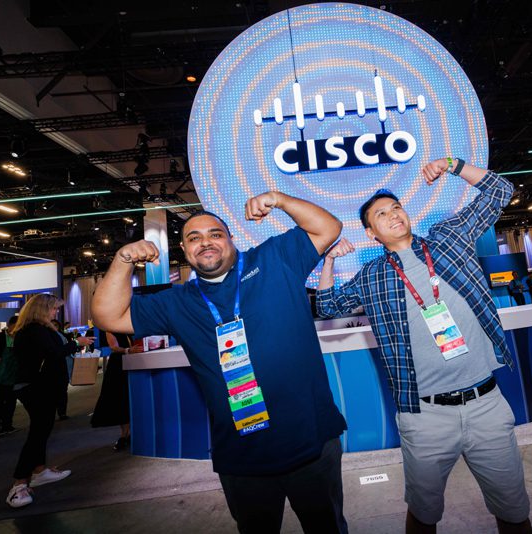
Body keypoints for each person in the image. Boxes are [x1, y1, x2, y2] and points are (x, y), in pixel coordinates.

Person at [91, 191, 348, 534]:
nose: (205, 242)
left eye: (215, 234)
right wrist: (123, 260)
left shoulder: (274, 259)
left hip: (311, 442)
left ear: (231, 240)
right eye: (194, 238)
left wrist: (279, 199)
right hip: (242, 456)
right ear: (185, 250)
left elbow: (328, 228)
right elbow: (107, 316)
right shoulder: (176, 302)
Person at [318, 158, 532, 534]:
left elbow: (501, 191)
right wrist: (329, 261)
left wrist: (453, 165)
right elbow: (327, 305)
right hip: (424, 415)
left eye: (396, 207)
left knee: (514, 511)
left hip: (486, 405)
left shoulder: (449, 239)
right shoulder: (372, 276)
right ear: (371, 233)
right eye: (381, 214)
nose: (392, 214)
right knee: (423, 513)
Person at [6, 294, 94, 508]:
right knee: (38, 433)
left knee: (43, 429)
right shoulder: (34, 330)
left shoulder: (37, 329)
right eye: (54, 308)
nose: (56, 312)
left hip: (41, 386)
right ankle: (19, 484)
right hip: (35, 387)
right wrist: (77, 343)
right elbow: (53, 353)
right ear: (42, 309)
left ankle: (39, 471)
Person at [91, 331, 143, 450]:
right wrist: (128, 350)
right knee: (121, 399)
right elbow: (113, 347)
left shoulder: (129, 329)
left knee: (132, 398)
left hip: (134, 363)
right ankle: (124, 435)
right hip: (118, 366)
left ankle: (130, 433)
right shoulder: (110, 329)